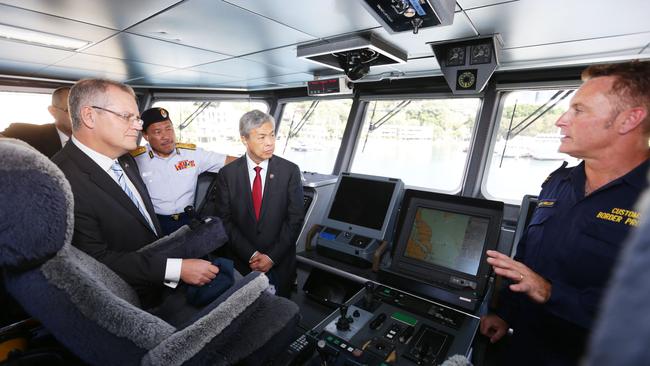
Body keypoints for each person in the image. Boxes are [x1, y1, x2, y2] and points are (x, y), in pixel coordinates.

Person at [480, 60, 650, 366]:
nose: (561, 120)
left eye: (579, 110)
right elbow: (527, 259)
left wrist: (550, 292)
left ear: (629, 120)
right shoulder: (558, 183)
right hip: (523, 345)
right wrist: (506, 313)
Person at [51, 78, 220, 309]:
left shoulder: (126, 160)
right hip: (121, 301)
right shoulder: (60, 180)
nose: (138, 125)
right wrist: (175, 269)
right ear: (89, 116)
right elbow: (94, 260)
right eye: (126, 116)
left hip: (156, 287)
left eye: (137, 117)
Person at [215, 109, 304, 298]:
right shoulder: (227, 174)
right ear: (244, 139)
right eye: (262, 137)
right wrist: (252, 254)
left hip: (279, 261)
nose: (270, 142)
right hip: (242, 262)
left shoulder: (290, 171)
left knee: (279, 317)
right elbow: (225, 220)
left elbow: (295, 219)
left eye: (272, 135)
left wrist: (271, 257)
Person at [131, 107, 237, 235]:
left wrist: (260, 161)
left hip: (188, 219)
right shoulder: (135, 160)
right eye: (158, 132)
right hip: (155, 221)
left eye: (169, 129)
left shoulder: (192, 154)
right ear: (146, 136)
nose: (166, 136)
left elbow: (231, 162)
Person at [2, 86, 72, 158]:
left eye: (83, 111)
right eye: (70, 111)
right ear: (53, 111)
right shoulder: (25, 134)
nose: (79, 116)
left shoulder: (83, 141)